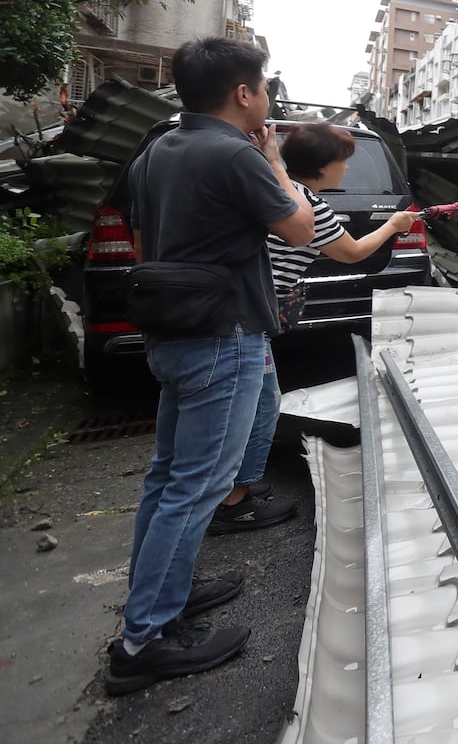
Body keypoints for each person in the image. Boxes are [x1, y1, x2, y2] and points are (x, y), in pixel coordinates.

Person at [106, 38, 314, 696]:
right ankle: (143, 639)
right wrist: (276, 161)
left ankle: (165, 593)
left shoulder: (156, 148)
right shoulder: (235, 154)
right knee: (196, 485)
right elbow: (301, 229)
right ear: (243, 93)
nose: (269, 99)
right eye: (265, 88)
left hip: (173, 332)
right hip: (222, 336)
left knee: (169, 476)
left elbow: (142, 239)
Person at [215, 122, 417, 531]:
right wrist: (394, 226)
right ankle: (232, 502)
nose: (345, 170)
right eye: (342, 162)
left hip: (236, 309)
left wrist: (272, 155)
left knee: (255, 401)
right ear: (323, 168)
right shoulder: (308, 206)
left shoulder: (275, 187)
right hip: (244, 318)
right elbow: (353, 252)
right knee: (254, 404)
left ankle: (235, 488)